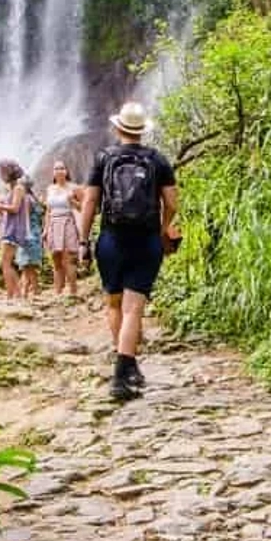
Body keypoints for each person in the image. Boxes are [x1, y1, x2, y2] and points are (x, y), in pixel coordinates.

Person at [78, 101, 179, 401]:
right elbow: (172, 204)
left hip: (111, 239)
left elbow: (89, 202)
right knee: (133, 308)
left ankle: (123, 364)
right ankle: (125, 368)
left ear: (118, 128)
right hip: (146, 240)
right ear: (142, 130)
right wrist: (163, 229)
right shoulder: (158, 160)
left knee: (114, 303)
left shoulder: (104, 158)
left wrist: (83, 241)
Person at [0, 160, 28, 298]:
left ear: (9, 172)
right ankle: (17, 294)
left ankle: (10, 295)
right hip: (8, 227)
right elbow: (4, 211)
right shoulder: (11, 189)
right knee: (6, 263)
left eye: (2, 172)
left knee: (5, 263)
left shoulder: (18, 188)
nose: (0, 175)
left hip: (14, 229)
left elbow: (15, 208)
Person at [43, 161, 82, 298]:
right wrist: (45, 229)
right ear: (53, 172)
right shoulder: (50, 188)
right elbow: (48, 211)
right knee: (56, 259)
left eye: (62, 168)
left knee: (68, 258)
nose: (59, 171)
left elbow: (84, 207)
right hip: (53, 223)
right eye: (56, 168)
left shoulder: (74, 187)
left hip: (67, 222)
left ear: (66, 171)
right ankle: (58, 293)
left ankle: (73, 292)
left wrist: (73, 201)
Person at [16, 174, 44, 297]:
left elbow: (25, 218)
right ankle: (26, 291)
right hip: (35, 232)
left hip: (29, 233)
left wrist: (25, 234)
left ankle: (33, 290)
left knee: (27, 263)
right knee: (28, 263)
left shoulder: (26, 199)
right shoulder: (33, 198)